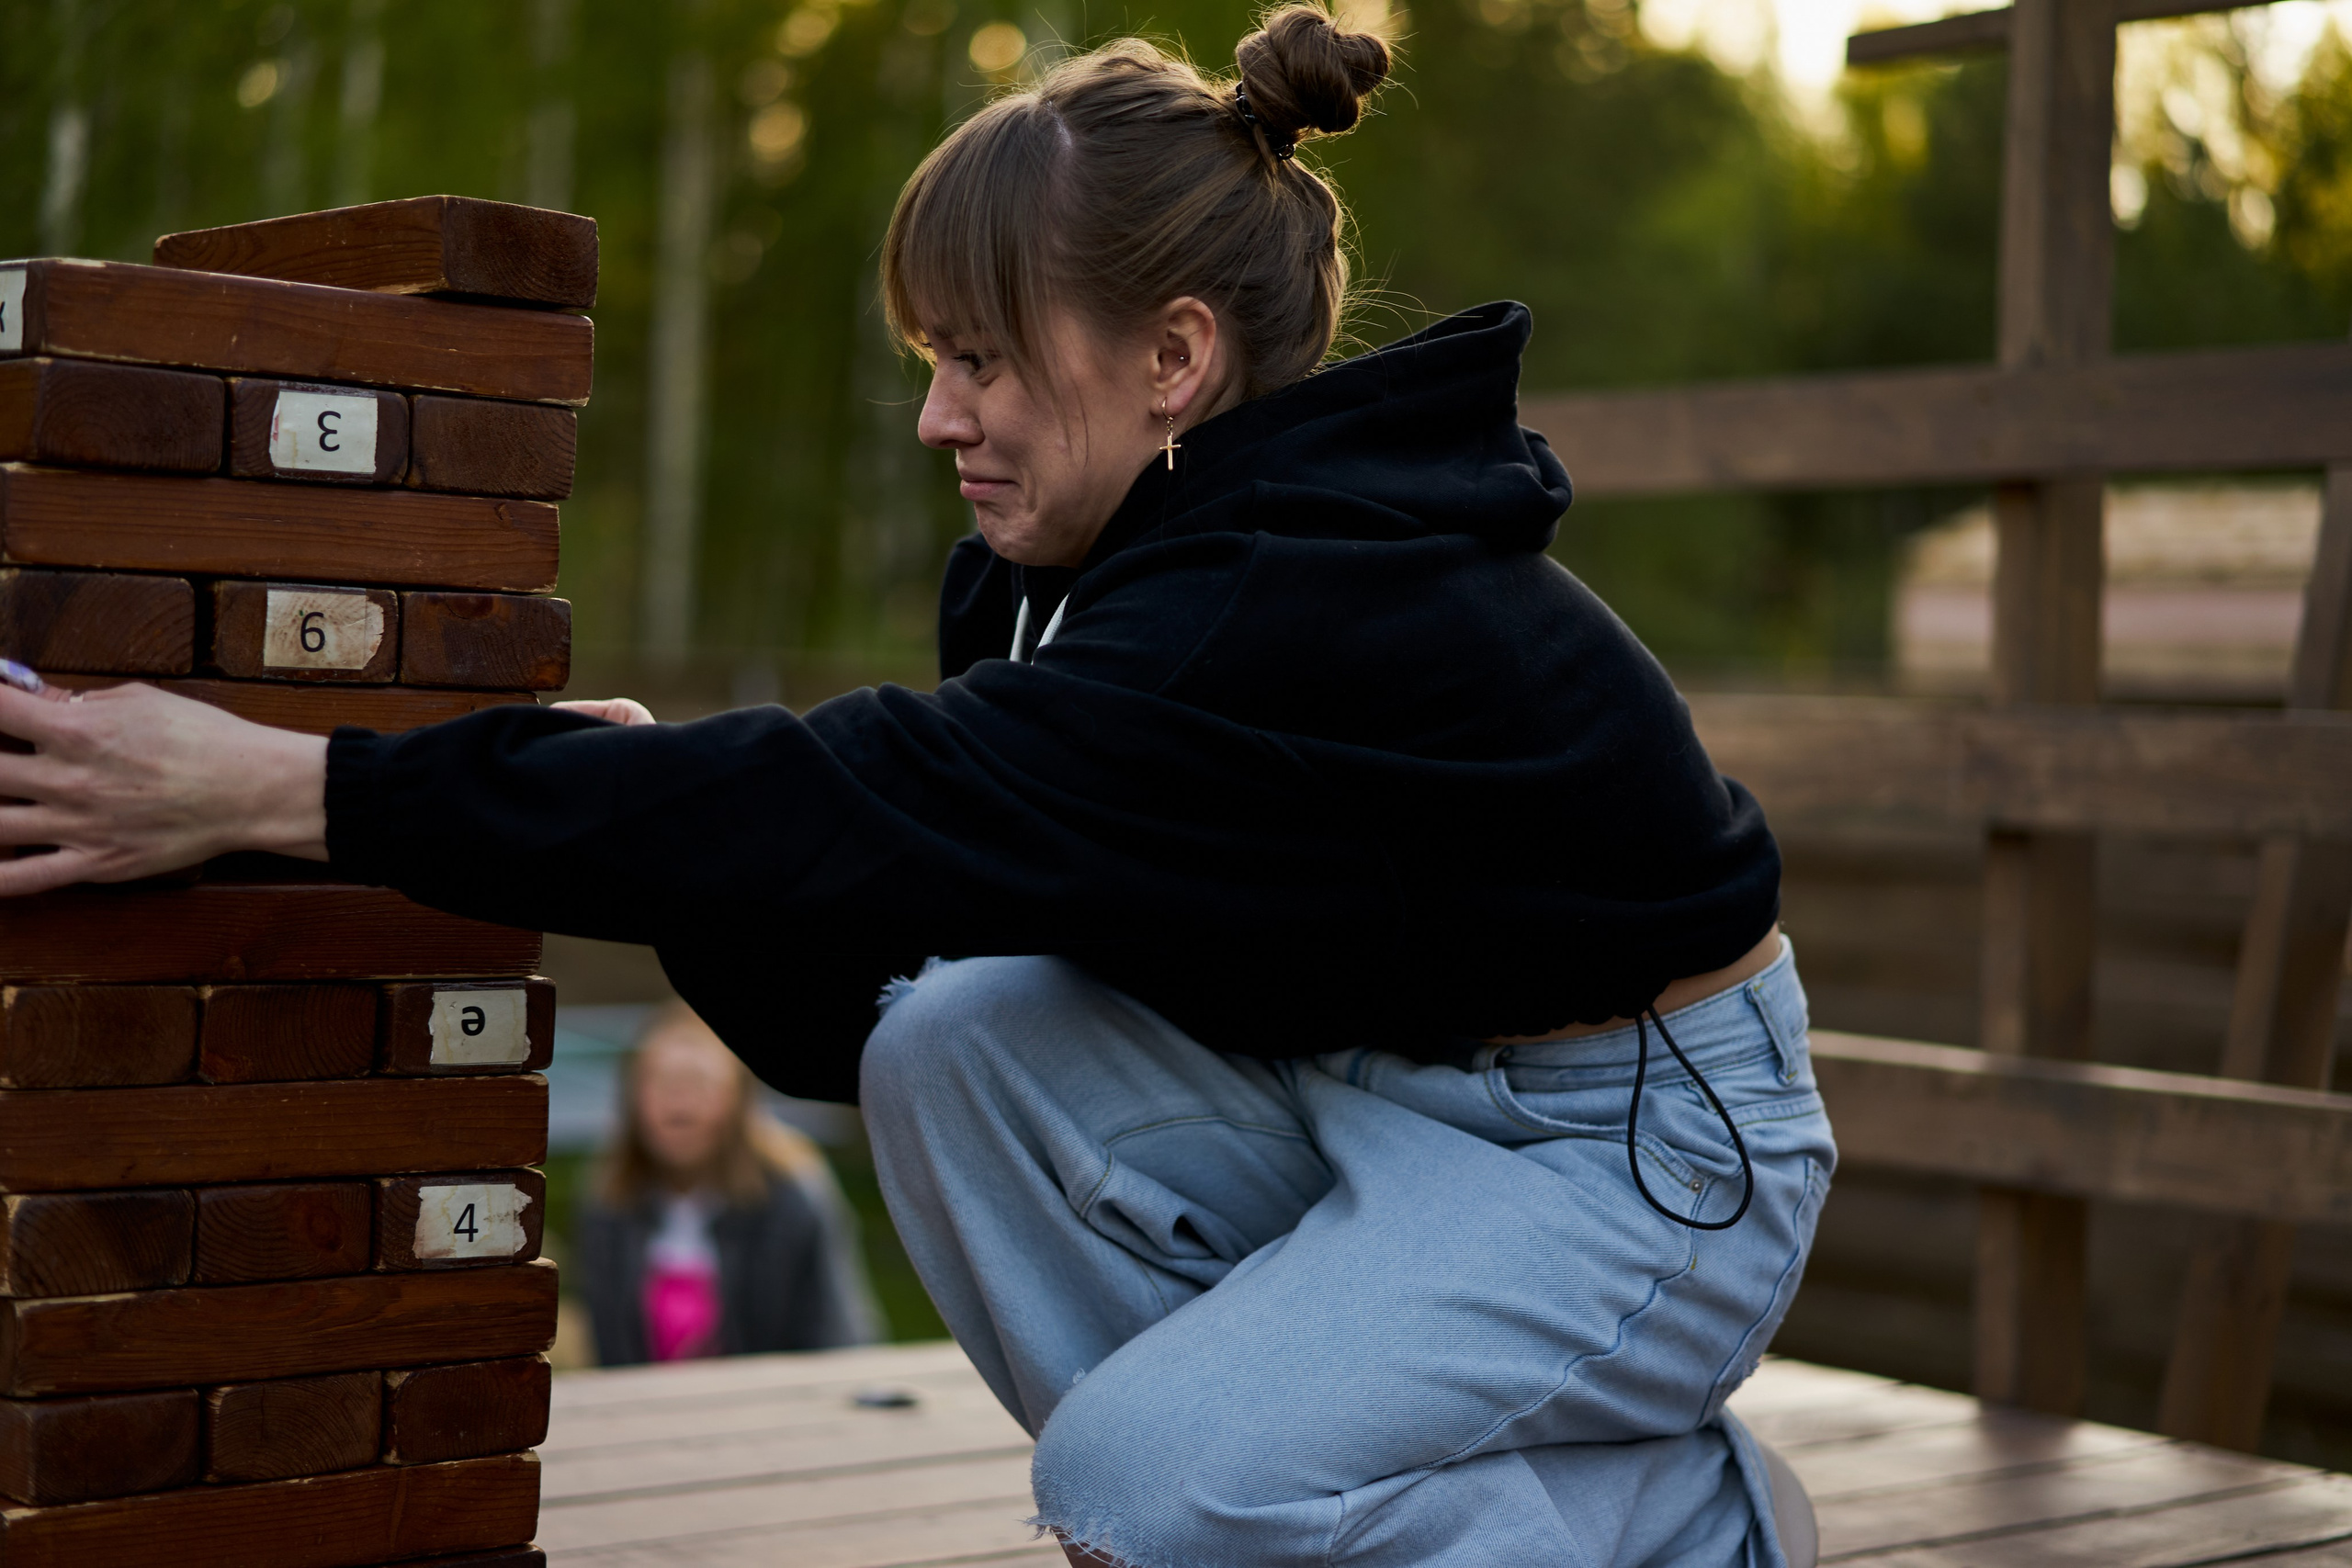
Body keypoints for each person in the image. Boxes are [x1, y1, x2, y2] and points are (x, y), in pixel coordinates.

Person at [0, 7, 1835, 1563]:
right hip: (1368, 1079)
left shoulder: (1281, 605)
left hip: (1641, 1146)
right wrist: (664, 835)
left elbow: (849, 785)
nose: (935, 418)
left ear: (1170, 360)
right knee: (943, 1042)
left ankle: (1688, 1529)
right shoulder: (1055, 585)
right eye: (927, 361)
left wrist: (277, 788)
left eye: (977, 362)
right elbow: (863, 955)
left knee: (1143, 1474)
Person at [577, 1002, 881, 1365]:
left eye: (699, 1083)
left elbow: (838, 1335)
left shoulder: (791, 1196)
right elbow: (608, 1346)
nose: (680, 1100)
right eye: (663, 1083)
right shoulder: (610, 1203)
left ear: (736, 1099)